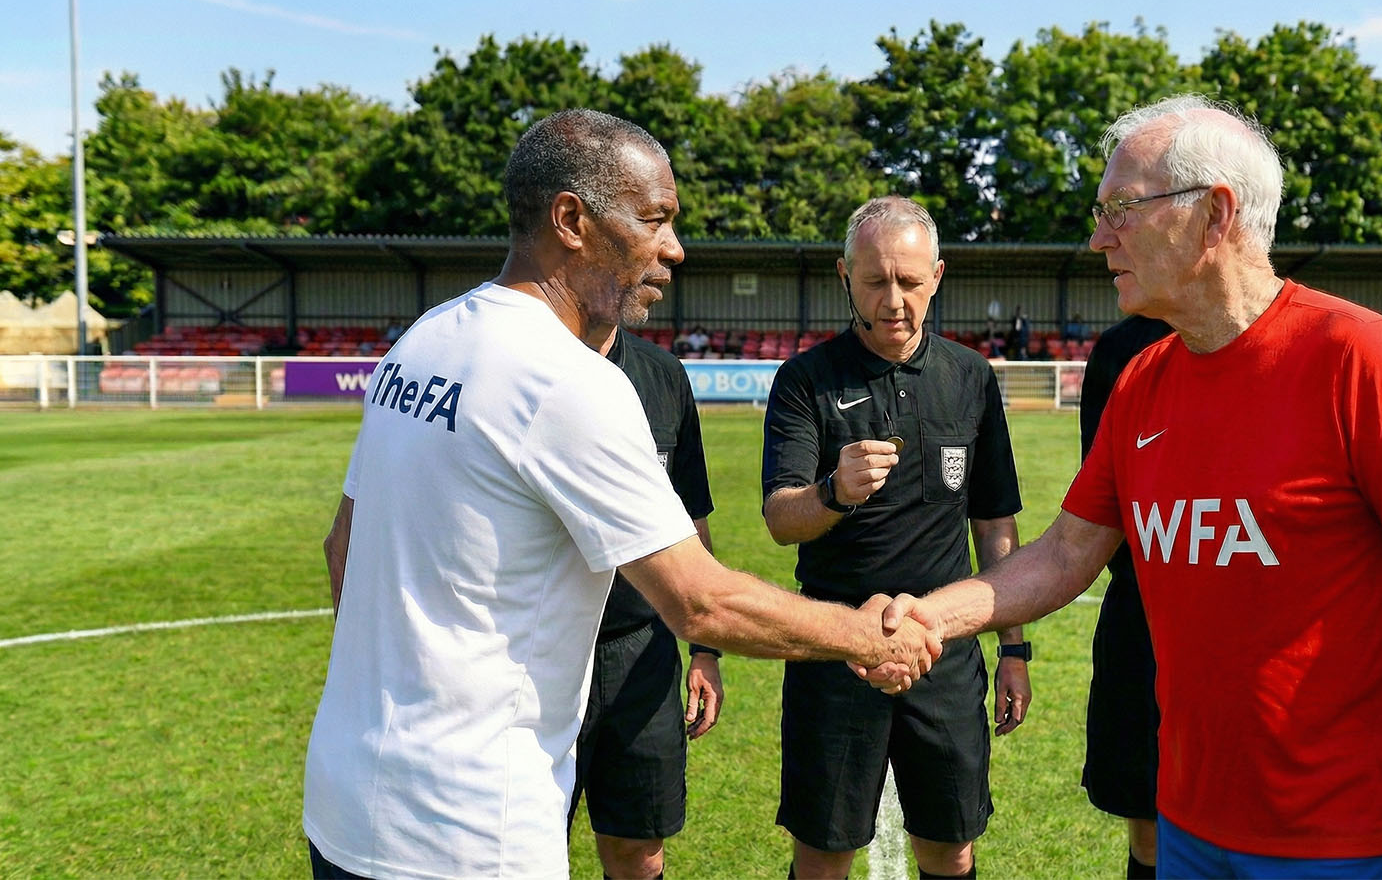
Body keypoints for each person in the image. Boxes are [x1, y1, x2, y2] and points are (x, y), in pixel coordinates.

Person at [859, 95, 1382, 880]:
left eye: (1122, 208)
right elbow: (1065, 555)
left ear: (1215, 215)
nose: (1099, 237)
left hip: (1346, 839)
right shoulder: (1142, 383)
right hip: (1189, 822)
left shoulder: (1358, 358)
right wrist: (929, 614)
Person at [304, 109, 939, 880]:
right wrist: (871, 638)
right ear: (571, 219)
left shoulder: (422, 340)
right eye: (654, 219)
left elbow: (343, 548)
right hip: (468, 832)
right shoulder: (569, 382)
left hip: (345, 802)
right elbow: (702, 603)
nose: (674, 247)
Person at [761, 196, 1028, 880]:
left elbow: (994, 521)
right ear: (845, 276)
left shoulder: (971, 379)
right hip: (835, 647)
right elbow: (780, 517)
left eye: (909, 281)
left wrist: (1015, 647)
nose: (894, 299)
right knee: (824, 852)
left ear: (937, 275)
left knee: (951, 844)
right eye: (876, 280)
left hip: (945, 647)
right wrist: (832, 491)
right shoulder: (805, 381)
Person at [571, 322, 724, 880]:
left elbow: (692, 521)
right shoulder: (523, 367)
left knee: (638, 849)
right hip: (537, 653)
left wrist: (704, 649)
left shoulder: (663, 377)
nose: (667, 252)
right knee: (521, 849)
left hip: (641, 652)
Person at [1078, 314, 1172, 880]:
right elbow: (1096, 508)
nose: (1105, 238)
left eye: (1126, 217)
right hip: (1140, 620)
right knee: (1149, 819)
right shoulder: (1118, 351)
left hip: (1245, 637)